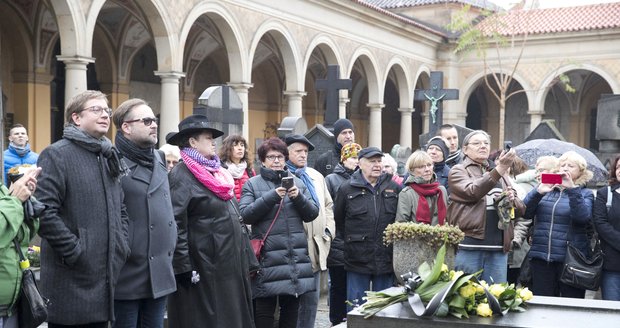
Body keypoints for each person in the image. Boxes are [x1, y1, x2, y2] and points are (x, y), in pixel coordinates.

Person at [35, 90, 131, 327]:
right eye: (96, 110)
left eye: (106, 111)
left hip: (104, 278)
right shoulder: (56, 154)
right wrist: (75, 250)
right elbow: (44, 211)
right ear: (76, 118)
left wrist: (122, 244)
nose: (105, 115)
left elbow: (120, 207)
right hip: (71, 280)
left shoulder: (108, 155)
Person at [165, 114, 254, 327]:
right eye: (207, 137)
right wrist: (183, 266)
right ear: (192, 142)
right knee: (210, 319)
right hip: (204, 265)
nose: (213, 141)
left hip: (228, 263)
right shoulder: (182, 174)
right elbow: (176, 222)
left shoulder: (216, 172)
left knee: (231, 317)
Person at [239, 137, 318, 328]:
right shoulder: (252, 184)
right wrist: (272, 196)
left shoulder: (297, 183)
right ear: (263, 160)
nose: (276, 161)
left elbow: (312, 213)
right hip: (267, 261)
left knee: (291, 313)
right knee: (264, 313)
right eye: (271, 157)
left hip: (294, 260)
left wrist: (298, 197)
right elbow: (245, 214)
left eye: (280, 157)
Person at [111, 99, 177, 328]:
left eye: (154, 120)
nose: (154, 125)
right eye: (147, 120)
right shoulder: (112, 160)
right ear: (126, 127)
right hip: (129, 270)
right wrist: (126, 247)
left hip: (159, 269)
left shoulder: (158, 157)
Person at [447, 130, 525, 283]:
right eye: (476, 143)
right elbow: (472, 192)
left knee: (496, 299)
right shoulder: (458, 170)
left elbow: (521, 210)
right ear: (465, 149)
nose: (482, 146)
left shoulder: (499, 173)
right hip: (469, 245)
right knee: (466, 297)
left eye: (486, 143)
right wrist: (500, 169)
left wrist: (512, 199)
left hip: (498, 248)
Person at [333, 147, 401, 309]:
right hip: (357, 258)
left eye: (379, 161)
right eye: (372, 161)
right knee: (356, 308)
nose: (377, 165)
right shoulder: (346, 189)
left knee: (383, 309)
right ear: (360, 164)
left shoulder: (393, 187)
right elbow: (339, 220)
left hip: (385, 258)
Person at [523, 150, 594, 298]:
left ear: (581, 172)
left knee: (571, 306)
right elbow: (524, 212)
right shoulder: (547, 189)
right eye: (562, 165)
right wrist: (538, 192)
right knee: (542, 305)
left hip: (571, 260)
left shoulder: (585, 193)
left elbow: (582, 218)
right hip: (542, 257)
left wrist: (572, 190)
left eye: (571, 166)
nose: (565, 168)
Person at [283, 134, 335, 328]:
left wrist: (329, 232)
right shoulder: (283, 176)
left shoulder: (315, 176)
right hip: (294, 248)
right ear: (286, 152)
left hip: (317, 245)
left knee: (311, 301)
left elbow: (328, 206)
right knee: (292, 303)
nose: (303, 155)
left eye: (305, 151)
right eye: (298, 151)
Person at [324, 142, 361, 326]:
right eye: (353, 157)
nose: (356, 161)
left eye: (358, 158)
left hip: (356, 240)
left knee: (354, 284)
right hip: (338, 239)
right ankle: (336, 319)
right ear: (344, 158)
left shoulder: (361, 179)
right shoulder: (331, 179)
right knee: (337, 284)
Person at [0, 168, 40, 328]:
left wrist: (27, 202)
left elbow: (22, 237)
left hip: (12, 310)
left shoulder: (3, 190)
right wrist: (15, 201)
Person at [593, 156, 620, 301]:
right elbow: (601, 223)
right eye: (618, 167)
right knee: (612, 312)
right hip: (612, 265)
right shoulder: (605, 193)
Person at [396, 150, 447, 225]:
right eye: (421, 167)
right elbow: (401, 225)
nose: (427, 169)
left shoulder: (441, 190)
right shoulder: (406, 194)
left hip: (442, 236)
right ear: (412, 170)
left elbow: (449, 219)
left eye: (429, 165)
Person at [219, 134, 255, 201]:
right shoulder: (221, 170)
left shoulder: (249, 169)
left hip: (247, 208)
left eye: (242, 145)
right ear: (227, 148)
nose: (240, 148)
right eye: (235, 145)